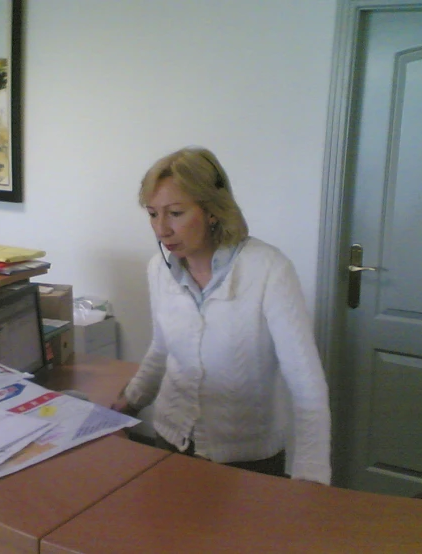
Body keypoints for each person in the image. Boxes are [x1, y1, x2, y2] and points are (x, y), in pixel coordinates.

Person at [111, 146, 332, 485]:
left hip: (248, 459)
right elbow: (162, 348)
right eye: (153, 214)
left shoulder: (268, 269)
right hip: (171, 443)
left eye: (176, 213)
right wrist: (127, 404)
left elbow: (306, 384)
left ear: (212, 210)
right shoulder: (159, 269)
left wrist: (312, 477)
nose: (161, 230)